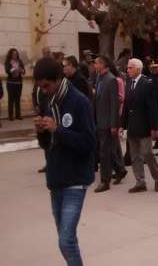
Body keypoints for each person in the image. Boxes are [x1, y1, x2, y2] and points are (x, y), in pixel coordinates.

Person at [33, 57, 96, 266]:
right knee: (67, 239)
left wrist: (57, 129)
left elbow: (88, 143)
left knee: (65, 241)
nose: (43, 90)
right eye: (40, 87)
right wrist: (42, 131)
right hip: (56, 179)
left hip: (75, 180)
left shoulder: (79, 101)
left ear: (58, 79)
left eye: (46, 86)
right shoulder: (46, 101)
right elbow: (47, 144)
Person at [121, 59, 158, 193]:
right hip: (132, 127)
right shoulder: (129, 83)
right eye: (128, 68)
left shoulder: (147, 84)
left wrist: (154, 127)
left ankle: (157, 177)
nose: (128, 70)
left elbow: (152, 108)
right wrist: (122, 125)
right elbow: (127, 106)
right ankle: (140, 181)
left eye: (130, 68)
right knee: (134, 156)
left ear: (138, 69)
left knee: (147, 154)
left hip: (144, 126)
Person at [93, 56, 127, 193]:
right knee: (108, 150)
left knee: (104, 153)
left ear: (103, 65)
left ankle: (105, 181)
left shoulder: (111, 80)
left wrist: (114, 124)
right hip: (100, 120)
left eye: (96, 63)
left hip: (108, 122)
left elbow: (114, 104)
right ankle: (120, 170)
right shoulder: (99, 78)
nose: (94, 65)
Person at [4, 48, 25, 120]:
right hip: (10, 83)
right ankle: (10, 116)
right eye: (13, 54)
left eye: (16, 54)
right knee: (11, 99)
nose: (15, 55)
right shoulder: (8, 61)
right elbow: (7, 71)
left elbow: (23, 71)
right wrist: (14, 69)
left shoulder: (20, 61)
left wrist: (21, 70)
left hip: (19, 83)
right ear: (11, 55)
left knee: (17, 99)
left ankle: (18, 115)